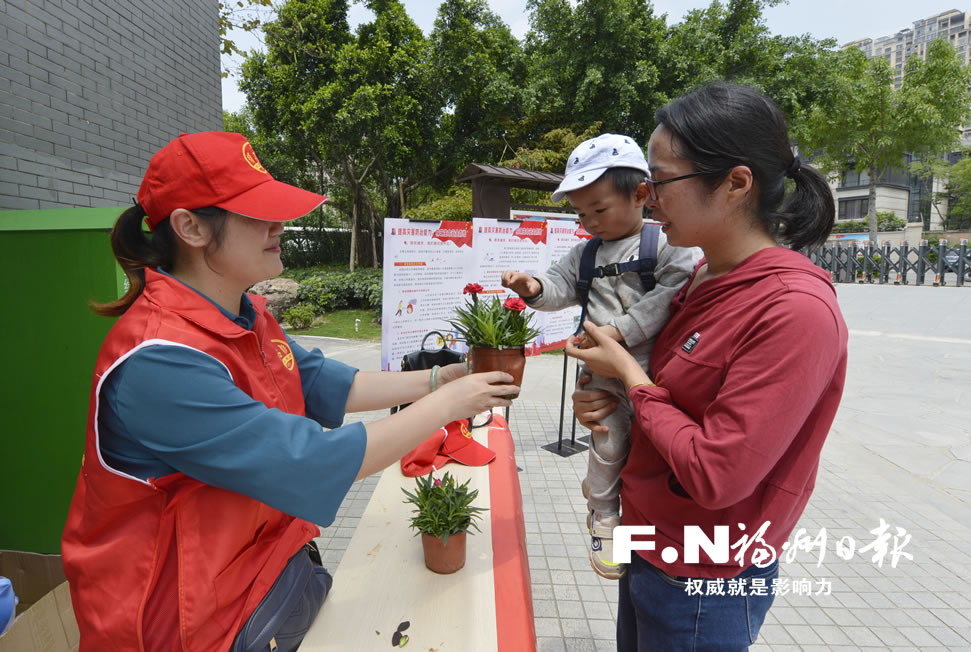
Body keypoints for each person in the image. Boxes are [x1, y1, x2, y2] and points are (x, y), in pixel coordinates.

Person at [60, 132, 518, 652]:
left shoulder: (242, 313)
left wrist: (438, 380)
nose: (280, 226)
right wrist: (447, 406)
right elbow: (307, 461)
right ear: (190, 226)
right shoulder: (159, 361)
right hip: (186, 624)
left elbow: (323, 381)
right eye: (256, 212)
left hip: (258, 583)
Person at [567, 83, 848, 651]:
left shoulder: (794, 311)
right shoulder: (702, 277)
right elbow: (672, 395)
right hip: (651, 540)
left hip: (704, 576)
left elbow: (717, 474)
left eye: (661, 180)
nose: (646, 197)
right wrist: (614, 400)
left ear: (736, 184)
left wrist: (631, 377)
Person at [501, 133, 699, 580]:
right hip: (603, 376)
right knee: (607, 438)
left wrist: (616, 332)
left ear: (641, 195)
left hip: (656, 374)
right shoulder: (584, 254)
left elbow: (672, 294)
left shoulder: (665, 245)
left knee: (648, 448)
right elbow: (558, 285)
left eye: (599, 209)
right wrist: (533, 288)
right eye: (581, 213)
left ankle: (619, 499)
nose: (590, 221)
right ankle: (604, 512)